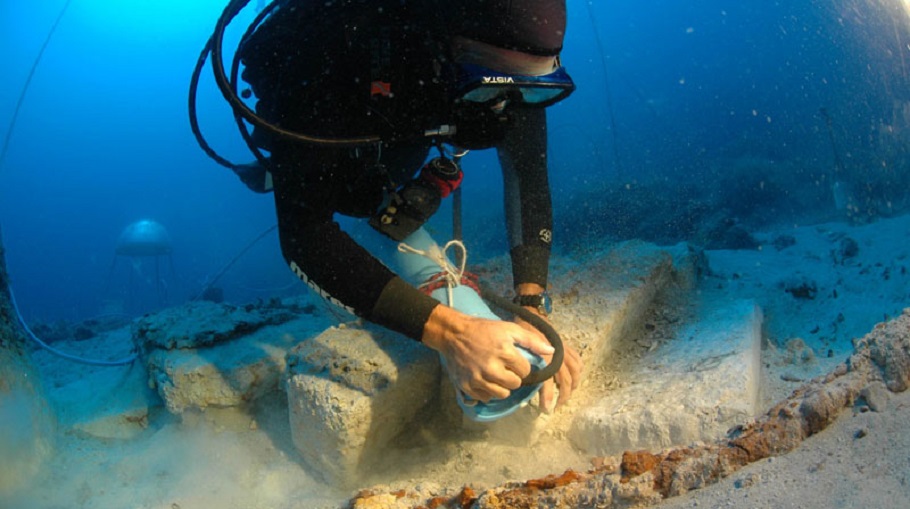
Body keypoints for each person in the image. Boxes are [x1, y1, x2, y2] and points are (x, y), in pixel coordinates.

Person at [235, 0, 583, 416]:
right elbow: (304, 238)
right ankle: (282, 170)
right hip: (340, 112)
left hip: (409, 122)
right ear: (447, 48)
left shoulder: (510, 61)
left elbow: (527, 175)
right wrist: (453, 333)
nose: (505, 104)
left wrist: (530, 304)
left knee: (382, 193)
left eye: (530, 86)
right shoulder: (324, 50)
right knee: (343, 192)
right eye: (492, 85)